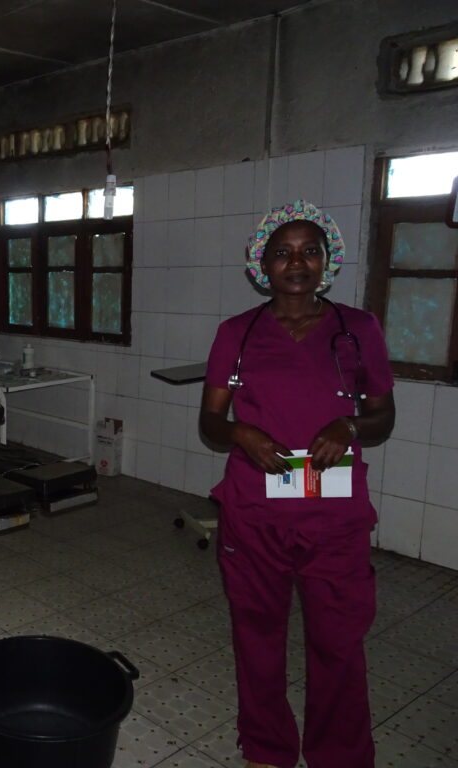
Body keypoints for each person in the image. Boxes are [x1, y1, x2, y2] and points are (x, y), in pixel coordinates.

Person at [199, 201, 395, 768]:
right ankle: (267, 749)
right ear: (263, 263)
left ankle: (340, 754)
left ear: (327, 260)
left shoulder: (357, 330)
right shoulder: (236, 334)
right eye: (282, 251)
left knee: (338, 642)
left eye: (310, 249)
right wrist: (242, 434)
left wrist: (349, 423)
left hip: (332, 515)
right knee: (257, 639)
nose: (297, 262)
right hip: (255, 513)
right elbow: (211, 423)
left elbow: (383, 418)